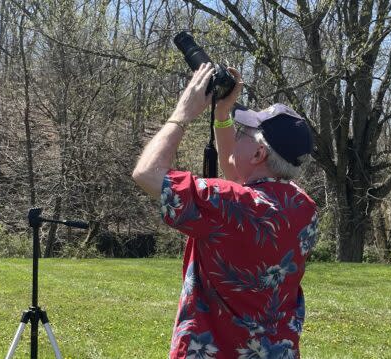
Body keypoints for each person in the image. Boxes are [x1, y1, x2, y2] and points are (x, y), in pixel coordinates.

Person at [132, 63, 318, 358]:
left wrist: (183, 113)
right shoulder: (304, 208)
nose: (238, 136)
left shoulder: (231, 203)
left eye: (243, 133)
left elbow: (147, 173)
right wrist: (222, 114)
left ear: (259, 154)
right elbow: (238, 177)